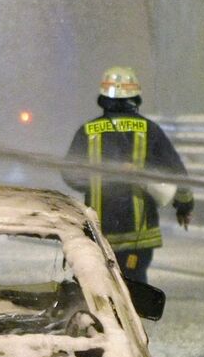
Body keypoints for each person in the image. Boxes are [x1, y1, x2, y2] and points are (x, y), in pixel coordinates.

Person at [64, 66, 194, 284]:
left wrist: (96, 183)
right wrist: (184, 206)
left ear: (103, 97)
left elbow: (69, 173)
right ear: (135, 96)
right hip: (138, 237)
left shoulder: (87, 131)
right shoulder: (149, 130)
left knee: (96, 289)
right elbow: (176, 172)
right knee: (135, 294)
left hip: (99, 233)